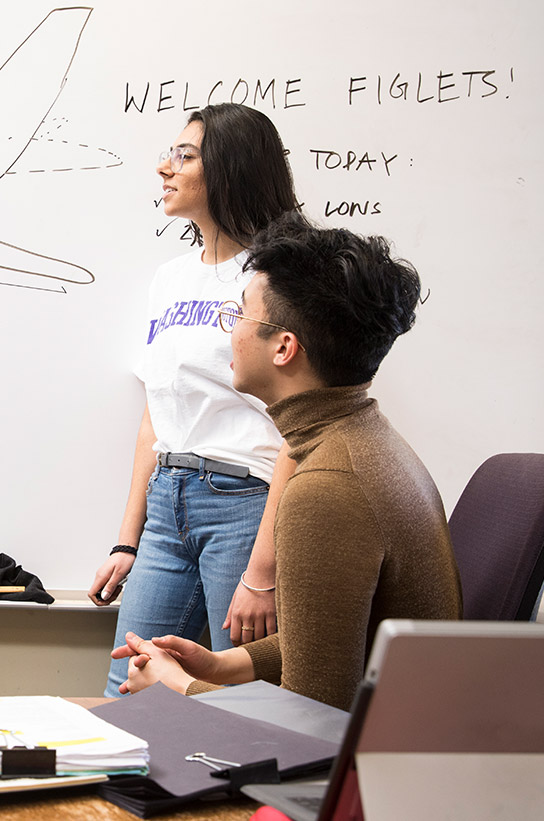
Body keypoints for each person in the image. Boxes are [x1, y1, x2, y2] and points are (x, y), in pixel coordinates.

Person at [112, 213, 462, 711]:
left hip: (363, 778)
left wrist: (179, 687)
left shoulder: (327, 487)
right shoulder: (360, 441)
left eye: (239, 315)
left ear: (283, 347)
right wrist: (221, 665)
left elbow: (308, 725)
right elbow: (328, 640)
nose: (228, 331)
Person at [90, 103, 299, 697]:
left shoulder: (275, 278)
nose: (164, 167)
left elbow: (297, 428)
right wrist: (128, 540)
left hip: (244, 502)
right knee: (126, 688)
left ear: (230, 169)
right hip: (167, 504)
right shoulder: (169, 279)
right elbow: (156, 416)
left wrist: (264, 568)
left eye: (184, 156)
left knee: (242, 696)